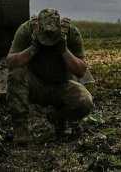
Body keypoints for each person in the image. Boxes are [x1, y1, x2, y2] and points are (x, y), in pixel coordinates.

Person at [5, 8, 94, 144]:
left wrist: (64, 49)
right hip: (36, 85)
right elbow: (11, 63)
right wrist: (32, 49)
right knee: (16, 75)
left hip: (61, 85)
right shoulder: (26, 30)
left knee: (85, 101)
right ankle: (21, 130)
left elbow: (81, 71)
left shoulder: (71, 33)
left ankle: (58, 118)